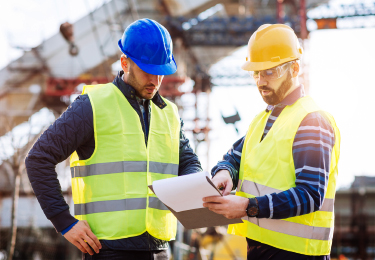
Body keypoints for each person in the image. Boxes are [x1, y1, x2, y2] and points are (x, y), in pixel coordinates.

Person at [25, 19, 202, 260]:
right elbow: (38, 159)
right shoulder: (93, 105)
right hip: (108, 250)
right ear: (124, 63)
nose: (155, 80)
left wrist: (196, 183)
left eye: (160, 72)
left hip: (160, 248)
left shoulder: (169, 112)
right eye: (147, 70)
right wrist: (64, 222)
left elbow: (188, 160)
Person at [203, 24, 340, 259]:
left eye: (270, 72)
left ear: (295, 69)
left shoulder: (311, 120)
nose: (261, 81)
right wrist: (225, 172)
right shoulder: (263, 120)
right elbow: (235, 156)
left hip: (299, 254)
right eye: (256, 73)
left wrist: (247, 207)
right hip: (260, 249)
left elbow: (310, 195)